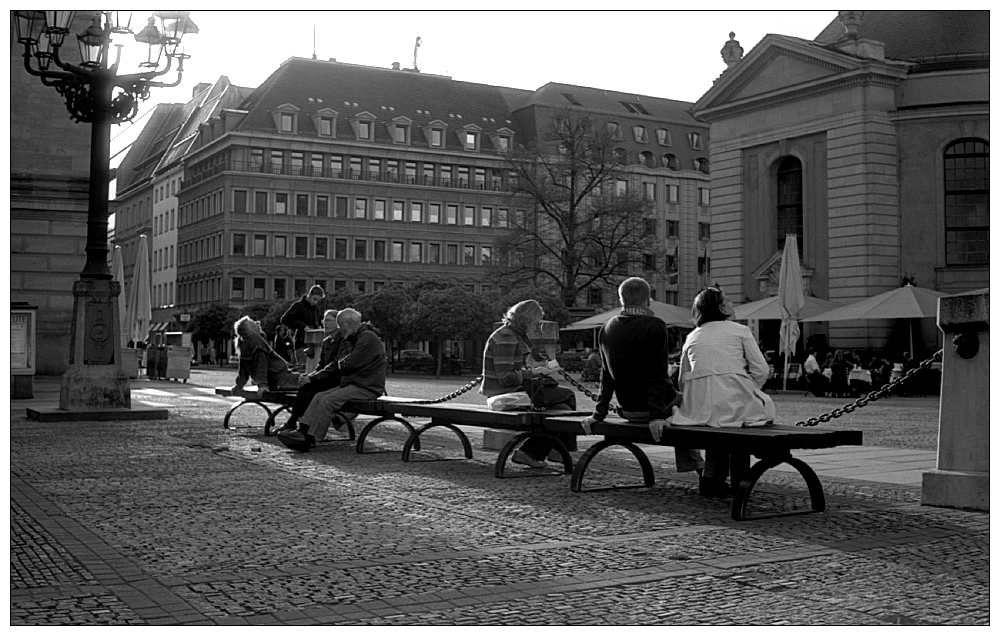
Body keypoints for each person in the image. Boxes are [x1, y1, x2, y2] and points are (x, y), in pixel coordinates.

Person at [652, 287, 776, 497]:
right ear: (720, 307)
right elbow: (761, 370)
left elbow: (682, 379)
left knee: (717, 420)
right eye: (728, 301)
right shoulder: (740, 331)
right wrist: (747, 387)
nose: (732, 304)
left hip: (697, 410)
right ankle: (730, 480)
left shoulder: (692, 336)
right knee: (735, 419)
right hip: (734, 406)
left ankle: (712, 477)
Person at [580, 277, 705, 480]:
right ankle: (702, 468)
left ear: (622, 300)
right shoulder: (654, 325)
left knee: (679, 401)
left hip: (626, 409)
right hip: (652, 409)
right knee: (687, 402)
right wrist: (656, 416)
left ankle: (699, 465)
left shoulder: (607, 328)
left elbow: (606, 377)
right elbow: (657, 375)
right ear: (649, 299)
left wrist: (598, 414)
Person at [480, 299, 576, 468]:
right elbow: (505, 377)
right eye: (536, 322)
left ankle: (545, 450)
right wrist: (535, 372)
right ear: (528, 319)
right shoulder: (506, 337)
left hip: (513, 390)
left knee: (563, 410)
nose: (536, 326)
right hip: (505, 394)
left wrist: (535, 368)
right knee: (567, 396)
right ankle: (551, 450)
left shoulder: (513, 334)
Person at [285, 308, 386, 452]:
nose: (340, 330)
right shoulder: (357, 337)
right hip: (356, 383)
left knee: (328, 400)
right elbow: (345, 363)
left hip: (366, 387)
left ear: (348, 324)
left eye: (340, 326)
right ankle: (303, 429)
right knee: (319, 396)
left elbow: (348, 364)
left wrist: (341, 363)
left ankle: (311, 437)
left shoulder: (367, 337)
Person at [277, 310, 343, 433]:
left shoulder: (343, 340)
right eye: (324, 320)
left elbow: (335, 366)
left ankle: (299, 424)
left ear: (338, 323)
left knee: (310, 388)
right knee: (305, 385)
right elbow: (320, 366)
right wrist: (309, 376)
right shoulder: (327, 341)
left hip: (338, 380)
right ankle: (298, 422)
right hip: (327, 378)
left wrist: (312, 378)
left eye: (328, 320)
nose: (324, 323)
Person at [230, 316, 300, 397]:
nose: (257, 323)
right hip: (280, 379)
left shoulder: (244, 344)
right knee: (312, 382)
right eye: (253, 322)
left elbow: (243, 371)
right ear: (251, 329)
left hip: (274, 380)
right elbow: (261, 365)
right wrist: (262, 386)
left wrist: (239, 386)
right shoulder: (256, 341)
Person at [280, 285, 324, 366]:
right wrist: (302, 326)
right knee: (303, 367)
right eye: (314, 299)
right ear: (309, 295)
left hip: (313, 343)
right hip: (301, 343)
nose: (315, 302)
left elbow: (319, 321)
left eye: (318, 300)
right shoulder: (298, 306)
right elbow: (285, 319)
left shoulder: (315, 308)